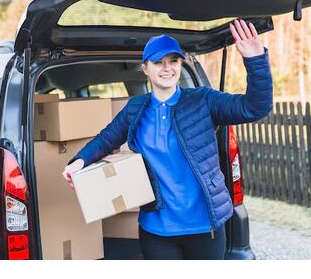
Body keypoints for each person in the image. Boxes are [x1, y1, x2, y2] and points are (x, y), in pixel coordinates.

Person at [61, 19, 273, 260]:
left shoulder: (203, 100)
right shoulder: (135, 109)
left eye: (173, 61)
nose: (167, 68)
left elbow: (255, 108)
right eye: (158, 62)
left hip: (205, 228)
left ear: (180, 63)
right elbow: (105, 139)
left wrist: (255, 61)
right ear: (145, 68)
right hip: (156, 230)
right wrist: (78, 162)